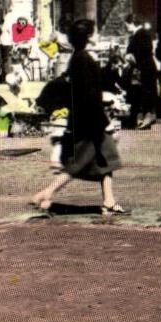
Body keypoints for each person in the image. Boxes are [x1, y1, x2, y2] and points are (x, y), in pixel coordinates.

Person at [31, 20, 125, 218]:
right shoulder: (84, 60)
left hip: (86, 119)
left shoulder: (78, 58)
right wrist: (105, 122)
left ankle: (109, 200)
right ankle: (45, 193)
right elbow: (90, 96)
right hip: (89, 122)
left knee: (106, 159)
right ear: (89, 37)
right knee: (77, 164)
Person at [125, 21, 160, 129]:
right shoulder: (140, 34)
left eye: (126, 25)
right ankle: (143, 118)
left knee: (145, 93)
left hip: (144, 68)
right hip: (144, 68)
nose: (126, 28)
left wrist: (132, 57)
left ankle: (146, 118)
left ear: (131, 23)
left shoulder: (141, 34)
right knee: (142, 93)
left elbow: (143, 51)